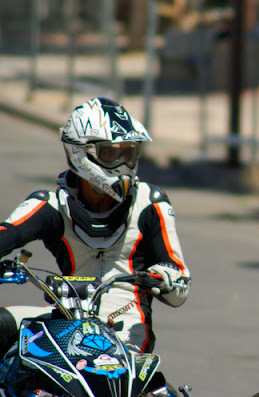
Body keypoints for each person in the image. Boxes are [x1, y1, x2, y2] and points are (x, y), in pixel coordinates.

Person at [0, 97, 191, 356]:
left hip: (127, 327)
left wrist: (167, 277)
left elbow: (179, 291)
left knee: (110, 370)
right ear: (80, 152)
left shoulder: (150, 202)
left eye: (129, 153)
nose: (124, 165)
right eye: (111, 153)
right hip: (65, 319)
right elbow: (7, 234)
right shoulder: (51, 204)